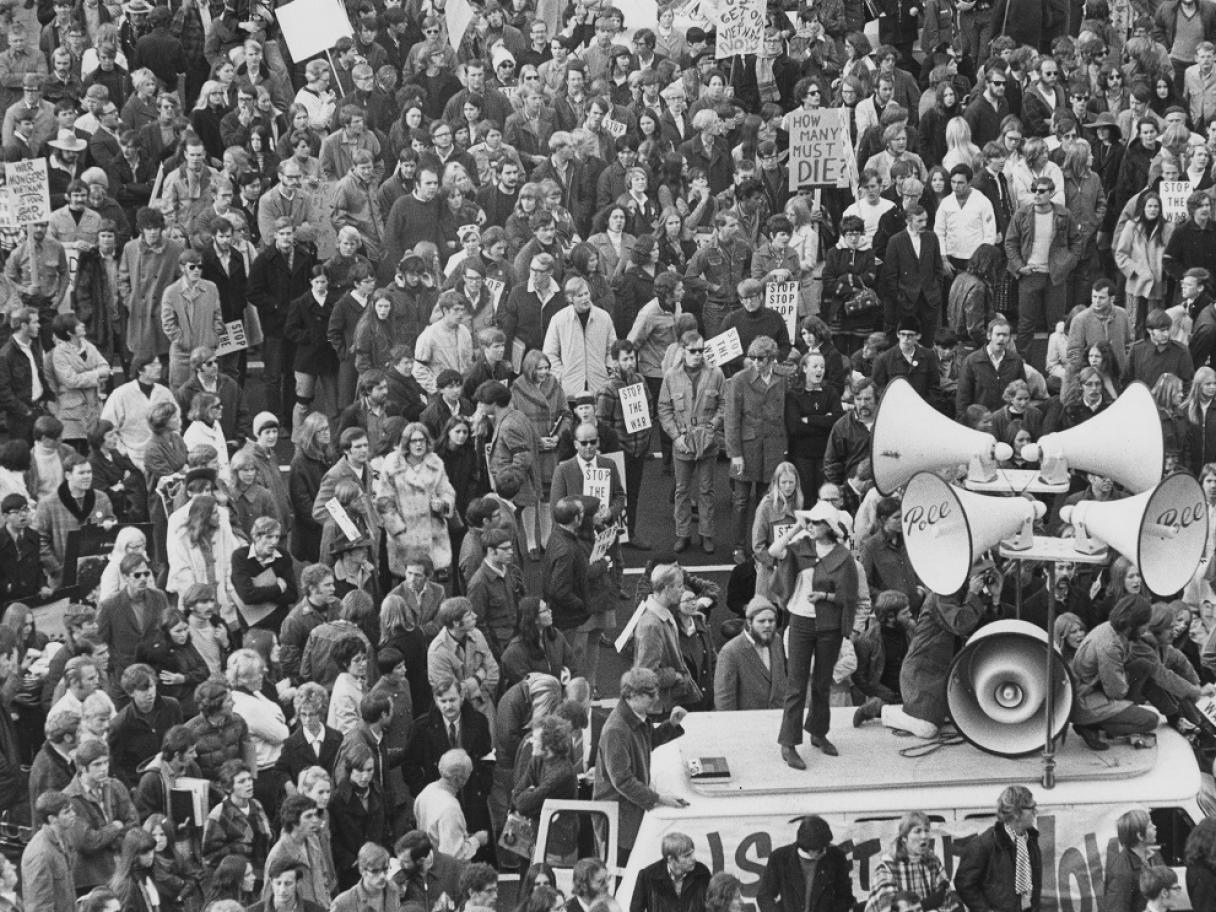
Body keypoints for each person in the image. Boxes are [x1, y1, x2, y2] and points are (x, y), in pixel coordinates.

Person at [768, 501, 857, 768]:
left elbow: (849, 595)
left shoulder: (843, 556)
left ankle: (818, 733)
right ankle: (788, 743)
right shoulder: (800, 548)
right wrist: (798, 525)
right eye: (812, 521)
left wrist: (825, 596)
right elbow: (774, 550)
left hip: (828, 626)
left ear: (829, 527)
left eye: (817, 522)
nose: (812, 526)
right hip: (801, 623)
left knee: (822, 683)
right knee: (796, 685)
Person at [593, 667, 687, 865]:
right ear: (632, 695)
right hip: (618, 821)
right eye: (651, 694)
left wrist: (671, 725)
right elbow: (623, 781)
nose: (656, 698)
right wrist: (659, 799)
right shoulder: (616, 730)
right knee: (621, 873)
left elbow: (647, 741)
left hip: (628, 814)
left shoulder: (635, 718)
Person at [658, 330, 725, 553]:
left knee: (707, 490)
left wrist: (713, 426)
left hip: (707, 442)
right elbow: (664, 408)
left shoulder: (716, 374)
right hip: (684, 441)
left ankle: (706, 534)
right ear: (683, 350)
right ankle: (683, 534)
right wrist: (676, 437)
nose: (698, 355)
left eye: (701, 350)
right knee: (682, 490)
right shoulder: (671, 376)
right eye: (693, 351)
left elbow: (724, 404)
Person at [375, 422, 457, 579]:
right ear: (406, 442)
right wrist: (399, 532)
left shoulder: (435, 463)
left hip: (433, 536)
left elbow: (447, 492)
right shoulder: (392, 464)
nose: (419, 444)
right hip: (405, 539)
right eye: (414, 441)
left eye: (422, 440)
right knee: (407, 586)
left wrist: (442, 504)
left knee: (431, 586)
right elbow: (384, 502)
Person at [63, 739, 138, 891]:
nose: (104, 768)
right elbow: (86, 842)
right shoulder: (70, 798)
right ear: (82, 768)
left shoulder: (115, 786)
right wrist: (115, 828)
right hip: (92, 877)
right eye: (97, 765)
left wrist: (108, 837)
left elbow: (133, 822)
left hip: (121, 868)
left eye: (106, 763)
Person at [954, 786, 1042, 912]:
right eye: (1032, 808)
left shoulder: (1031, 841)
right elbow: (964, 883)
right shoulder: (983, 845)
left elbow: (1034, 884)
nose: (1036, 812)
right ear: (1016, 813)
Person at [757, 815, 854, 912]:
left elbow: (844, 897)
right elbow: (764, 896)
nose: (825, 850)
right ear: (809, 849)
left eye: (826, 845)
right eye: (820, 849)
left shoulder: (837, 857)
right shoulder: (780, 858)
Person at [864, 811, 955, 912]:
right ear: (904, 838)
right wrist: (925, 905)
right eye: (918, 831)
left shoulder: (933, 862)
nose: (924, 836)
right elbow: (887, 907)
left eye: (926, 830)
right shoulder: (887, 866)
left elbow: (946, 898)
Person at [413, 748, 489, 861]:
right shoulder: (451, 809)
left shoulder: (427, 791)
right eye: (467, 775)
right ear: (457, 779)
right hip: (444, 870)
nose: (468, 779)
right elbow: (454, 855)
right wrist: (477, 840)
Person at [713, 597, 787, 711]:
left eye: (771, 621)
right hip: (747, 724)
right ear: (749, 622)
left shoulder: (776, 640)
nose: (767, 625)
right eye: (761, 621)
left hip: (777, 720)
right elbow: (724, 701)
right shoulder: (730, 652)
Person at [21, 790, 77, 912]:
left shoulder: (64, 837)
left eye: (72, 809)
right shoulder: (40, 853)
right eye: (67, 812)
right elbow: (39, 905)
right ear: (52, 818)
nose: (73, 814)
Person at [630, 832, 712, 912]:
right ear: (671, 859)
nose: (693, 858)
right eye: (687, 856)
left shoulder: (702, 873)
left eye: (692, 853)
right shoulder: (647, 876)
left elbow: (712, 906)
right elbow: (635, 909)